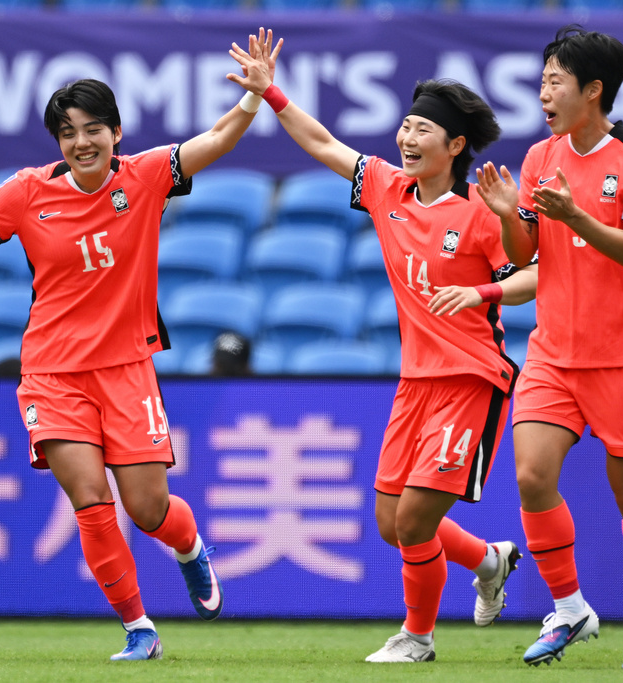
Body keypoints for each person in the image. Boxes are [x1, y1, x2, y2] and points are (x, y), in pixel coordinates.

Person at [0, 29, 280, 662]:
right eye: (68, 132)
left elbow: (217, 140)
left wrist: (255, 98)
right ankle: (139, 630)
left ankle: (189, 547)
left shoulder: (145, 177)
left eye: (93, 128)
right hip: (51, 374)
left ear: (116, 132)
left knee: (147, 509)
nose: (81, 142)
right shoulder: (29, 191)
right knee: (90, 499)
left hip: (126, 370)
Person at [229, 38, 538, 663]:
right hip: (415, 382)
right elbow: (321, 142)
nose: (406, 136)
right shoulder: (387, 189)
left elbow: (536, 277)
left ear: (454, 146)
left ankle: (417, 639)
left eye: (423, 128)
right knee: (391, 524)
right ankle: (488, 559)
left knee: (416, 524)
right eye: (405, 124)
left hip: (472, 379)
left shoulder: (482, 209)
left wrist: (479, 292)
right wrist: (270, 91)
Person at [476, 25, 623, 669]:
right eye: (542, 81)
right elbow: (524, 256)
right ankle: (569, 610)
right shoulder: (539, 159)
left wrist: (577, 217)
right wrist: (510, 214)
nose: (544, 93)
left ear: (594, 91)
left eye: (555, 81)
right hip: (553, 354)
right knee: (532, 477)